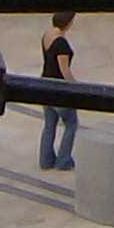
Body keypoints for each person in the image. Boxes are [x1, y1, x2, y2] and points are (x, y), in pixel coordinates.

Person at [38, 9, 78, 172]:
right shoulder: (62, 44)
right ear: (68, 23)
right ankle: (63, 160)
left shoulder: (47, 35)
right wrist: (75, 86)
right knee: (71, 123)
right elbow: (64, 70)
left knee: (49, 123)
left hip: (44, 83)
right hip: (58, 89)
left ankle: (46, 160)